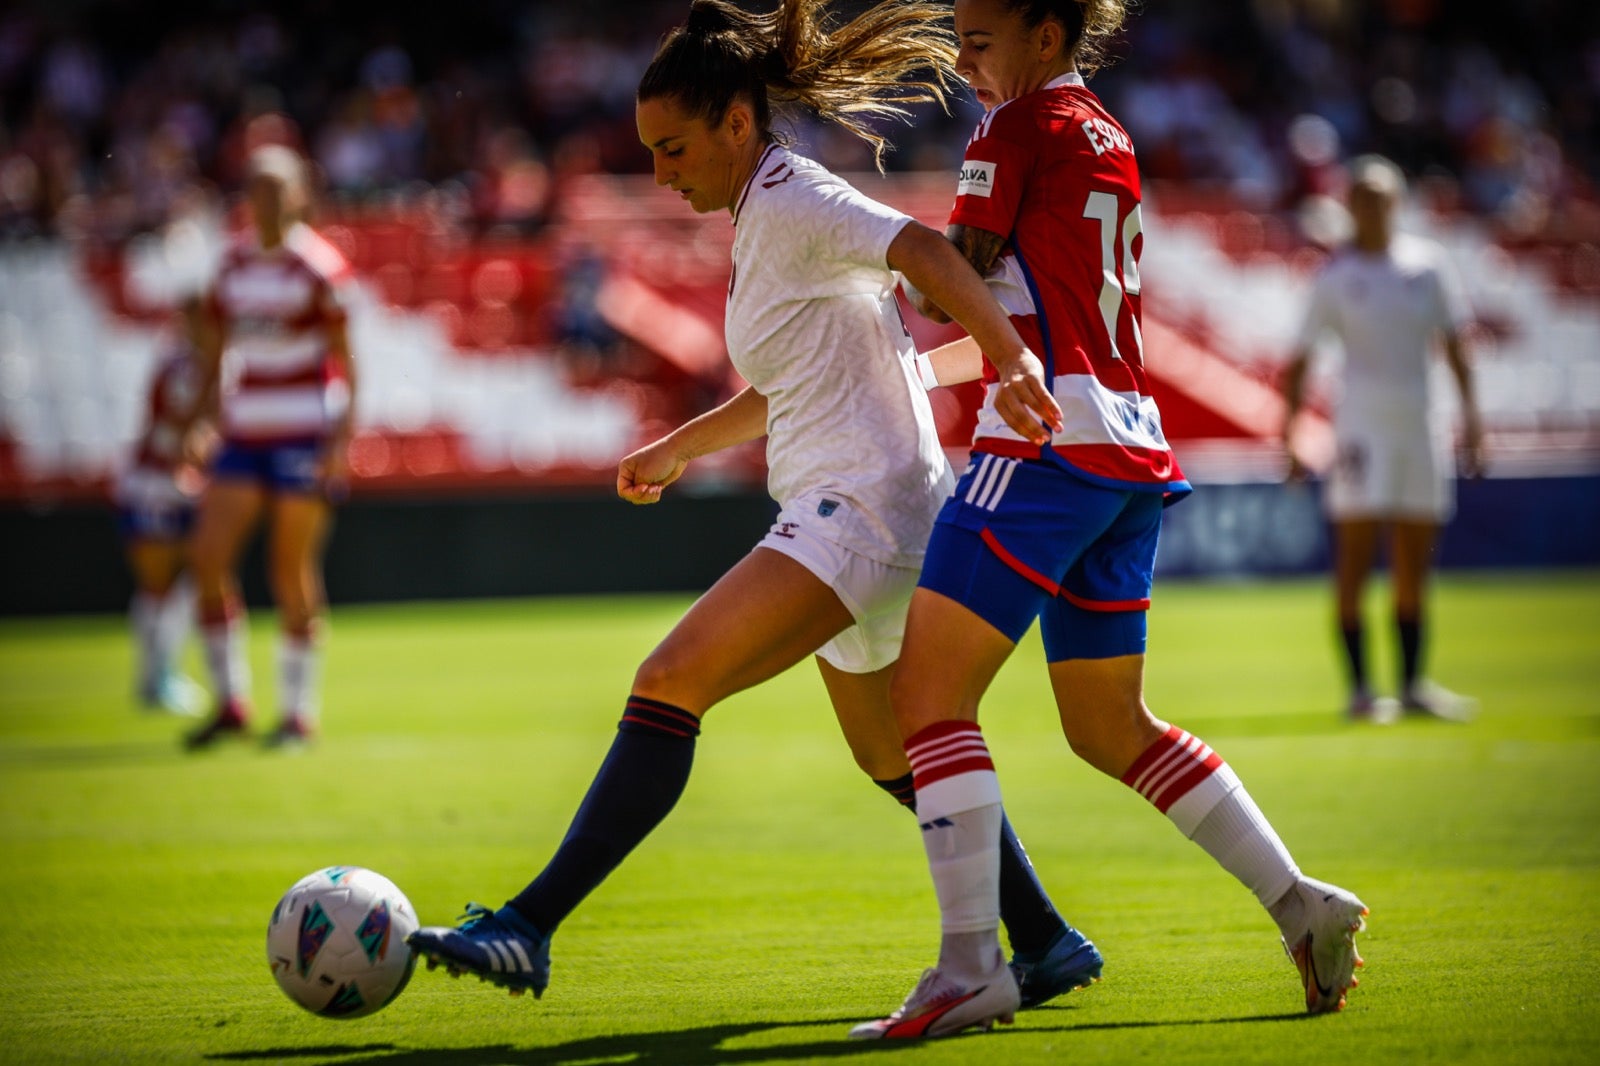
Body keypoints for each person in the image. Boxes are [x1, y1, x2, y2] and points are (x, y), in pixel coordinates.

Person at [407, 0, 1100, 1011]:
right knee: (887, 750)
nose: (660, 171)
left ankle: (527, 923)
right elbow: (796, 382)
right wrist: (677, 446)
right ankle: (1046, 938)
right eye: (648, 151)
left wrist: (1010, 363)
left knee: (669, 678)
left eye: (674, 146)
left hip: (859, 507)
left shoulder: (789, 199)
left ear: (738, 123)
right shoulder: (765, 214)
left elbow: (928, 253)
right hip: (876, 502)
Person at [851, 0, 1369, 1039]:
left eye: (981, 36)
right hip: (1128, 444)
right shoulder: (1107, 129)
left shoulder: (1013, 128)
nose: (965, 57)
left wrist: (885, 266)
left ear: (1046, 33)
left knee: (926, 696)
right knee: (1107, 726)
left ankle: (969, 965)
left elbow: (956, 276)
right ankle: (1298, 900)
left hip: (1045, 447)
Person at [1282, 154, 1484, 723]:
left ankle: (1414, 683)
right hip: (1360, 431)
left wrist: (1472, 419)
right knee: (1354, 557)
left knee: (1414, 562)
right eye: (1361, 198)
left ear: (1397, 203)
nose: (1371, 208)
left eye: (1381, 197)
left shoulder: (1429, 267)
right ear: (1348, 206)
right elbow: (1299, 360)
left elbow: (1457, 345)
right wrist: (1292, 432)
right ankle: (1362, 689)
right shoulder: (1336, 276)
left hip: (1421, 426)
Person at [181, 144, 357, 749]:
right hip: (243, 428)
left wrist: (341, 439)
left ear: (298, 196)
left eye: (278, 192)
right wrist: (199, 419)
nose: (267, 204)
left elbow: (347, 363)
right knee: (207, 555)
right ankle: (230, 700)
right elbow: (214, 354)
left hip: (303, 431)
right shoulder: (230, 264)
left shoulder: (319, 267)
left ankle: (296, 714)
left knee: (290, 569)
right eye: (257, 191)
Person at [113, 300, 211, 717]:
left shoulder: (199, 365)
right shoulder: (185, 367)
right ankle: (156, 678)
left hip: (172, 481)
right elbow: (184, 432)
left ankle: (158, 675)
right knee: (162, 583)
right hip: (157, 483)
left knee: (183, 581)